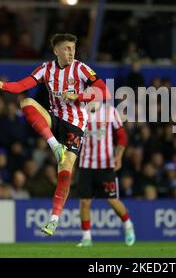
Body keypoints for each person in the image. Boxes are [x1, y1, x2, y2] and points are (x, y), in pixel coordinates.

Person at [0, 33, 110, 235]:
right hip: (54, 121)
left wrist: (78, 96)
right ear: (56, 51)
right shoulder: (46, 69)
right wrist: (3, 85)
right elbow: (23, 85)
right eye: (67, 49)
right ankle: (55, 145)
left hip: (75, 126)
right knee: (26, 103)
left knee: (65, 173)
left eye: (73, 48)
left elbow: (104, 91)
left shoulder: (81, 69)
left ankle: (53, 220)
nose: (71, 53)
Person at [76, 101, 135, 247]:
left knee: (112, 200)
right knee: (84, 202)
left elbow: (122, 136)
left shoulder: (110, 112)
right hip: (86, 164)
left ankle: (128, 225)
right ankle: (86, 238)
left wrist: (119, 155)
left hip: (105, 164)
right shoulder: (80, 112)